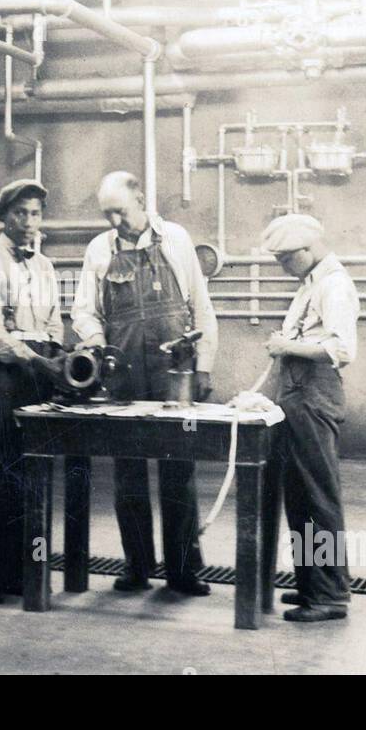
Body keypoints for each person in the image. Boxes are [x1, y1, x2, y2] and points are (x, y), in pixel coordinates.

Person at [71, 171, 217, 596]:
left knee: (178, 471)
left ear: (140, 199)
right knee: (128, 473)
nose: (114, 220)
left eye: (120, 210)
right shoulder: (100, 249)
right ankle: (137, 567)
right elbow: (84, 311)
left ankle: (184, 570)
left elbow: (200, 306)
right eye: (107, 214)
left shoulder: (175, 239)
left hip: (175, 372)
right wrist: (96, 342)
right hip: (125, 373)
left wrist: (204, 365)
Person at [239, 213, 360, 622]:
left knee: (318, 496)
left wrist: (287, 347)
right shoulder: (311, 284)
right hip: (296, 396)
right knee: (300, 496)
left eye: (285, 259)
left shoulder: (334, 284)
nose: (282, 267)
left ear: (307, 250)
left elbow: (342, 349)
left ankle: (329, 595)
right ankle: (312, 586)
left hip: (315, 394)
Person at [0, 179, 66, 605]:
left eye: (36, 213)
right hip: (5, 374)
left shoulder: (44, 266)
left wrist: (57, 356)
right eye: (20, 213)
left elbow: (55, 319)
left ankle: (21, 573)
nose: (28, 222)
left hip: (40, 372)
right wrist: (32, 358)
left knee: (31, 473)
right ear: (4, 217)